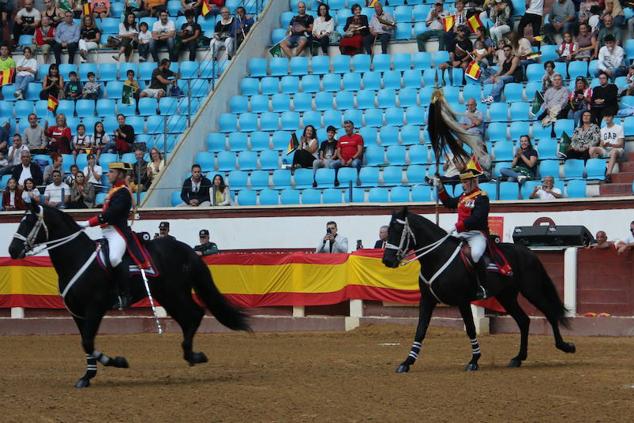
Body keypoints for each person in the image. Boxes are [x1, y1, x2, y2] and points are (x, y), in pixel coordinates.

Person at [79, 162, 136, 308]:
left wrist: (87, 223)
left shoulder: (123, 192)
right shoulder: (114, 190)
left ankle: (126, 294)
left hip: (118, 233)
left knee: (115, 258)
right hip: (106, 232)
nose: (108, 174)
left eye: (111, 172)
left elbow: (110, 214)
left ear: (120, 174)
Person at [436, 161, 490, 299]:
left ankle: (481, 286)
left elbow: (478, 219)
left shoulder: (482, 197)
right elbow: (448, 203)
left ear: (473, 182)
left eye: (465, 182)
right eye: (462, 182)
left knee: (476, 254)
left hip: (476, 234)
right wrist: (441, 188)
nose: (463, 184)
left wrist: (457, 226)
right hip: (461, 232)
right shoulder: (462, 197)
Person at [589, 113, 624, 182]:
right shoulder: (602, 130)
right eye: (605, 116)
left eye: (609, 116)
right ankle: (598, 169)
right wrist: (603, 145)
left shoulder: (619, 128)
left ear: (612, 117)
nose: (607, 118)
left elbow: (621, 144)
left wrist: (611, 145)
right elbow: (601, 145)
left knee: (613, 152)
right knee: (592, 149)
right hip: (605, 150)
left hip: (616, 149)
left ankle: (608, 175)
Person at [330, 120, 363, 187]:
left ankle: (358, 179)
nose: (346, 129)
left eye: (348, 127)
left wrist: (351, 159)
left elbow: (360, 151)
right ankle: (336, 180)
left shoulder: (358, 137)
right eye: (345, 127)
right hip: (343, 160)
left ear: (352, 127)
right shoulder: (341, 138)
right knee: (332, 164)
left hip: (353, 159)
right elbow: (338, 152)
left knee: (355, 163)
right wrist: (341, 159)